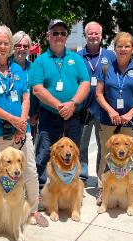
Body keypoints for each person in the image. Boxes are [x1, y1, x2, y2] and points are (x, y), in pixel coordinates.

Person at [0, 25, 48, 235]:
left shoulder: (17, 69)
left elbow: (26, 97)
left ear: (11, 47)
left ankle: (33, 211)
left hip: (20, 133)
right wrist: (12, 119)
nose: (2, 46)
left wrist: (21, 123)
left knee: (30, 171)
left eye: (6, 43)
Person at [30, 19, 90, 189]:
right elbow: (37, 89)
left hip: (73, 115)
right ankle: (40, 190)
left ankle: (70, 189)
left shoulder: (76, 59)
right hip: (49, 116)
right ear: (48, 35)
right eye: (55, 33)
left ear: (66, 37)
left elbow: (85, 83)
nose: (59, 36)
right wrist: (59, 105)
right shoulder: (40, 61)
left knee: (72, 153)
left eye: (62, 33)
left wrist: (72, 103)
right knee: (43, 154)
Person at [95, 32, 133, 205]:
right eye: (120, 46)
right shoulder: (105, 67)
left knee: (131, 157)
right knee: (106, 156)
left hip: (130, 122)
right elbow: (98, 93)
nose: (123, 49)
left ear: (132, 48)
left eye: (127, 46)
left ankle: (132, 189)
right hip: (108, 120)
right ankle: (102, 189)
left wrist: (131, 113)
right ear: (115, 48)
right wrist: (111, 111)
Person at [77, 22, 116, 186]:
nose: (93, 36)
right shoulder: (77, 56)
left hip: (103, 109)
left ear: (101, 35)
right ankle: (82, 177)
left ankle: (102, 177)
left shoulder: (111, 55)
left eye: (96, 34)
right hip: (83, 109)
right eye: (90, 34)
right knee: (82, 145)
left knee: (103, 146)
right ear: (85, 36)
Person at [11, 31, 39, 137]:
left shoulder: (34, 68)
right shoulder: (5, 67)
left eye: (25, 46)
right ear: (13, 47)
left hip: (31, 121)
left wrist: (36, 115)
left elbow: (40, 93)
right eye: (18, 45)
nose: (22, 48)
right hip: (11, 120)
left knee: (29, 152)